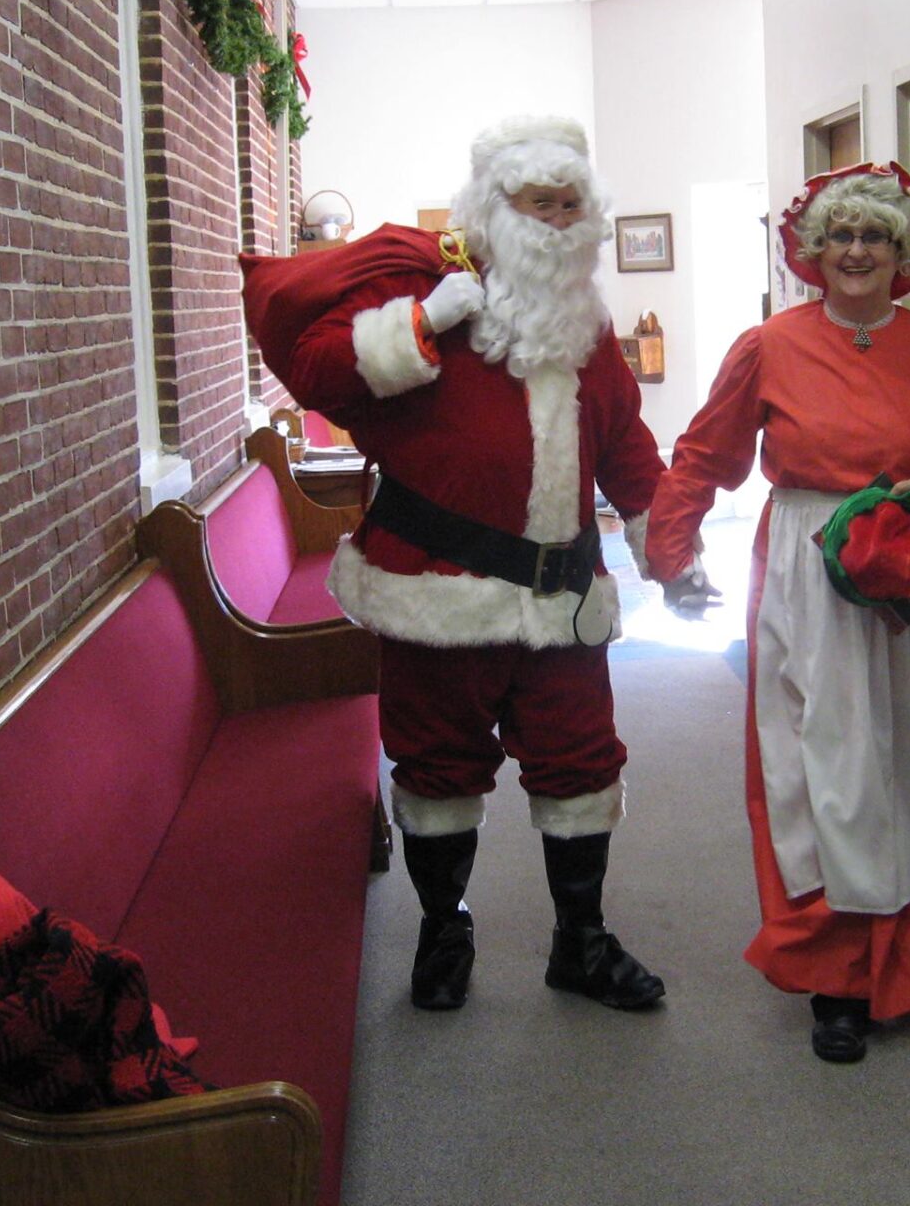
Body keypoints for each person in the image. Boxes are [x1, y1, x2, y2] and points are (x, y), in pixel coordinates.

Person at [240, 116, 667, 1014]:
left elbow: (626, 443)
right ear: (492, 213)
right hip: (438, 595)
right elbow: (321, 374)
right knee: (436, 769)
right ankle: (444, 930)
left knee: (583, 767)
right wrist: (422, 326)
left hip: (563, 607)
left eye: (568, 204)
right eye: (535, 203)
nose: (553, 220)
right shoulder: (432, 301)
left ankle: (581, 944)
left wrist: (664, 530)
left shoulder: (589, 331)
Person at [644, 161, 910, 1063]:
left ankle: (908, 941)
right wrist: (671, 549)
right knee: (826, 769)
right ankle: (839, 975)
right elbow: (702, 456)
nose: (857, 252)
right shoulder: (768, 346)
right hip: (811, 573)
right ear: (813, 251)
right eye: (841, 236)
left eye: (876, 237)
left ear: (905, 252)